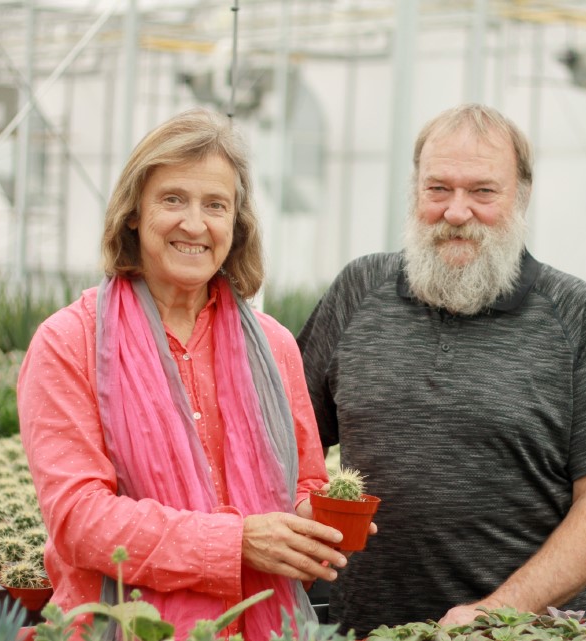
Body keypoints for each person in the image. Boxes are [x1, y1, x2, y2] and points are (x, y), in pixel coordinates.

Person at [296, 103, 586, 633]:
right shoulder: (358, 291)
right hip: (370, 628)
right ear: (415, 190)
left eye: (482, 191)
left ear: (521, 197)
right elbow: (285, 443)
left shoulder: (576, 314)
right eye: (438, 189)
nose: (456, 212)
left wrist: (496, 613)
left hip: (525, 630)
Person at [17, 108, 350, 641]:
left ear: (236, 225)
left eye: (215, 205)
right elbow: (79, 519)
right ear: (134, 214)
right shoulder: (69, 342)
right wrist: (234, 542)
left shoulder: (274, 346)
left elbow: (302, 481)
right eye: (173, 199)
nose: (194, 224)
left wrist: (319, 518)